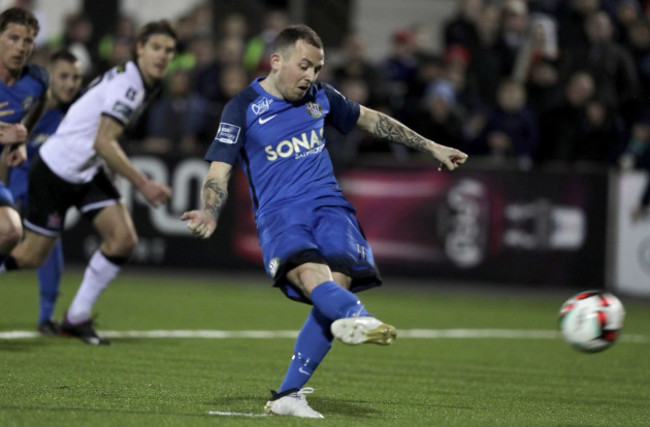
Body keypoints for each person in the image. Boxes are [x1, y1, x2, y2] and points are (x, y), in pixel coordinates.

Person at [181, 24, 467, 419]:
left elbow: (372, 119)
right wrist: (209, 211)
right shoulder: (242, 107)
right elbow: (218, 173)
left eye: (317, 68)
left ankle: (288, 394)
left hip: (331, 207)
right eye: (304, 67)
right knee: (315, 277)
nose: (311, 77)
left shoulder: (321, 97)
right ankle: (356, 316)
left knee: (338, 282)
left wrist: (431, 146)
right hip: (282, 214)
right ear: (276, 60)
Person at [0, 20, 177, 346]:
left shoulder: (139, 80)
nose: (162, 56)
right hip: (56, 169)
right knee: (29, 257)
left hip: (86, 171)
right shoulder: (131, 84)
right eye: (155, 48)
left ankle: (77, 316)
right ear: (140, 48)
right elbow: (103, 142)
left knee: (123, 239)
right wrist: (143, 184)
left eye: (168, 50)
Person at [6, 50, 83, 335]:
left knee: (50, 244)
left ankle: (47, 317)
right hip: (13, 192)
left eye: (76, 77)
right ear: (49, 77)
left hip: (42, 192)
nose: (71, 83)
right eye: (64, 76)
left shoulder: (75, 113)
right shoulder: (23, 108)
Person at [0, 8, 48, 272]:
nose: (20, 47)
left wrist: (20, 139)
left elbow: (38, 104)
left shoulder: (36, 80)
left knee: (10, 231)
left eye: (27, 41)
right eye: (12, 38)